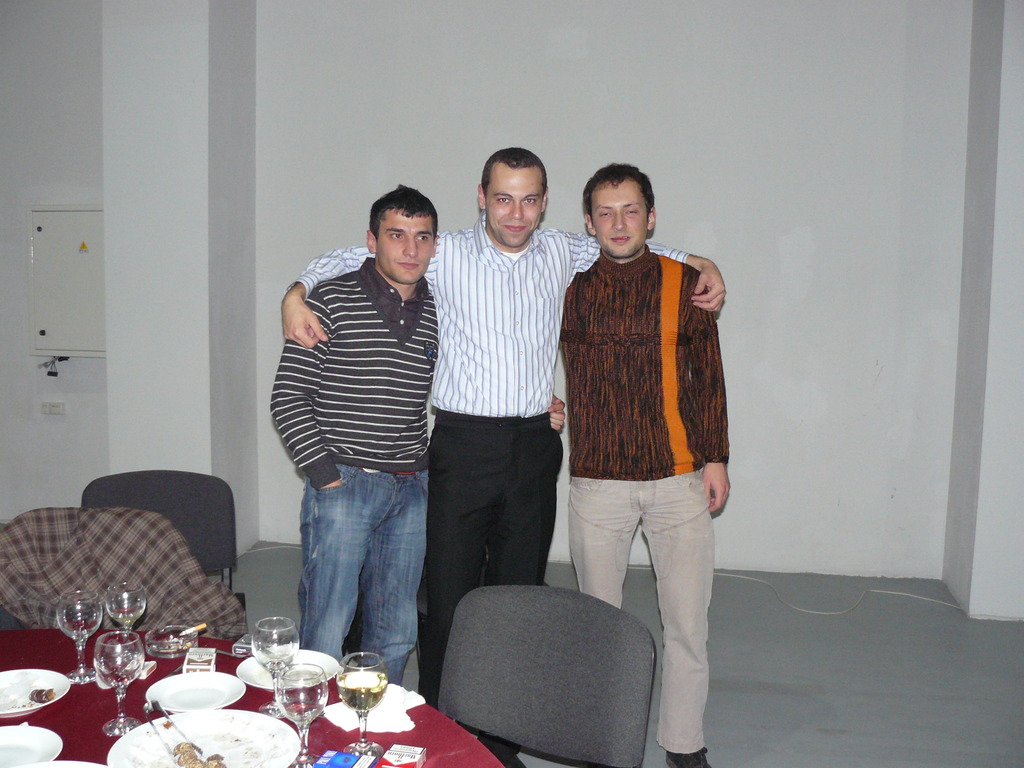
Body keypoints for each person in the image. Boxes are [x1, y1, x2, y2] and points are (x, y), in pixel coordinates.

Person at [281, 148, 726, 767]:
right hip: (461, 447)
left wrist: (700, 263)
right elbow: (358, 256)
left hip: (533, 448)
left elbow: (630, 245)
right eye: (503, 198)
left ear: (544, 203)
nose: (516, 213)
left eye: (529, 199)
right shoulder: (445, 253)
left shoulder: (563, 252)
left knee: (517, 601)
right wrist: (297, 291)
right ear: (482, 198)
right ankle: (446, 731)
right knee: (450, 599)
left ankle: (497, 738)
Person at [560, 164, 729, 768]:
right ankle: (600, 743)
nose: (618, 223)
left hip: (678, 481)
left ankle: (684, 744)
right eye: (605, 212)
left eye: (630, 210)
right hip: (597, 485)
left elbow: (707, 376)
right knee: (599, 630)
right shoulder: (568, 286)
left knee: (687, 625)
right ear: (588, 223)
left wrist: (716, 458)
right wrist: (540, 403)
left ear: (650, 218)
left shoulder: (685, 284)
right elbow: (519, 347)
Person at [270, 186, 439, 686]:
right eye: (396, 235)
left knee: (396, 632)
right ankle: (314, 725)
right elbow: (288, 397)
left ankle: (374, 723)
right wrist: (326, 477)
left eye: (422, 237)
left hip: (411, 489)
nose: (410, 249)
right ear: (371, 240)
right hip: (345, 486)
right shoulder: (328, 299)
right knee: (326, 628)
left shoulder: (439, 309)